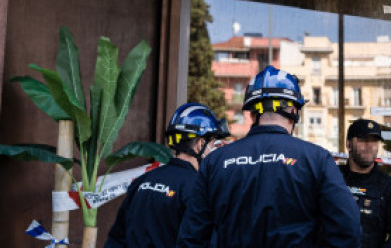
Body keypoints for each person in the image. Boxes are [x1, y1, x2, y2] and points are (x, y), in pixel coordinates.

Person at [176, 65, 360, 248]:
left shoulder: (215, 162)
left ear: (253, 112)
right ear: (293, 111)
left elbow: (192, 237)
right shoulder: (316, 159)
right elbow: (347, 228)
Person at [105, 102, 230, 248]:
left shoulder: (141, 182)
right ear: (201, 144)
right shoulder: (199, 190)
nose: (214, 151)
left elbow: (117, 239)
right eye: (213, 144)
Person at [339, 118, 391, 248]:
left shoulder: (389, 187)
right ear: (348, 144)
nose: (369, 146)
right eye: (363, 140)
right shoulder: (332, 178)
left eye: (374, 141)